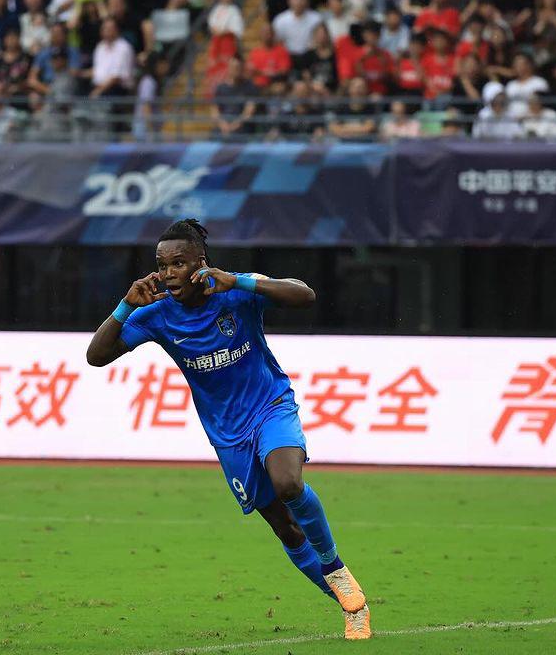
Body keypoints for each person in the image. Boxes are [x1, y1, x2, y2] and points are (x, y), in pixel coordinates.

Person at [85, 219, 371, 642]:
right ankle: (355, 609)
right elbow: (96, 356)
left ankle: (334, 566)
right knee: (285, 528)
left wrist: (241, 280)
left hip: (270, 407)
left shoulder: (234, 290)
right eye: (162, 266)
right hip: (227, 436)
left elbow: (304, 294)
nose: (168, 274)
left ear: (201, 262)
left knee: (288, 483)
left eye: (178, 263)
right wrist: (125, 306)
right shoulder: (156, 313)